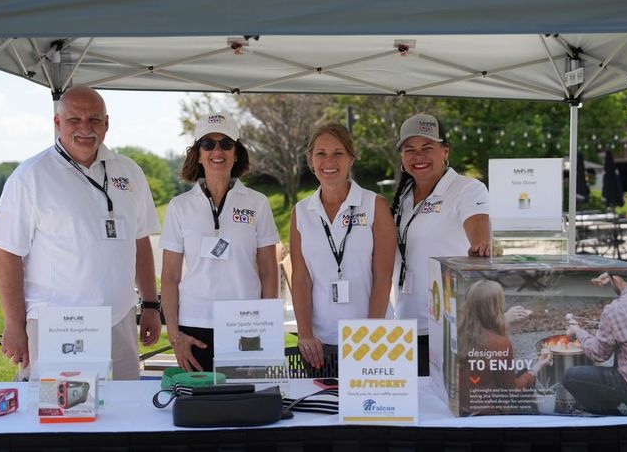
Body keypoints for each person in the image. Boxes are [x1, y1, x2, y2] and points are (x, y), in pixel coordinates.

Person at [0, 86, 161, 380]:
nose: (85, 128)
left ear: (106, 123)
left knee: (124, 411)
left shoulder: (129, 172)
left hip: (119, 318)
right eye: (74, 120)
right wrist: (15, 326)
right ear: (57, 123)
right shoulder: (31, 176)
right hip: (58, 323)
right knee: (60, 416)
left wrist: (151, 304)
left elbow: (140, 240)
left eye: (94, 120)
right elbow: (6, 252)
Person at [159, 112, 279, 372]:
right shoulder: (179, 207)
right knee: (200, 407)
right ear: (198, 154)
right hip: (194, 325)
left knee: (245, 406)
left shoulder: (257, 203)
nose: (217, 150)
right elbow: (169, 276)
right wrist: (174, 335)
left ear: (236, 153)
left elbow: (270, 271)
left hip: (245, 323)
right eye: (208, 144)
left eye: (226, 143)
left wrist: (267, 326)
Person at [390, 113, 494, 376]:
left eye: (428, 148)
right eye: (410, 149)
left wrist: (481, 245)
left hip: (449, 328)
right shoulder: (402, 196)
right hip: (404, 327)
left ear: (445, 151)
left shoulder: (468, 190)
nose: (418, 156)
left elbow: (479, 230)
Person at [290, 123, 396, 370]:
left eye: (338, 153)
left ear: (351, 158)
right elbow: (301, 278)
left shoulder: (374, 205)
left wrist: (371, 334)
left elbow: (383, 277)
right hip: (320, 343)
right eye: (321, 153)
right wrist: (305, 334)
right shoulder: (301, 211)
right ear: (310, 160)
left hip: (372, 339)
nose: (330, 161)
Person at [564, 271, 627, 417]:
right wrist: (610, 274)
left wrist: (577, 332)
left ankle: (613, 416)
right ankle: (614, 402)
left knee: (570, 376)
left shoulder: (615, 309)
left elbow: (599, 354)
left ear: (617, 279)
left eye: (612, 280)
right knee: (622, 344)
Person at [458, 280, 551, 415]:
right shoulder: (499, 343)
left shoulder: (460, 332)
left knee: (522, 371)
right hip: (486, 414)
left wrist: (504, 321)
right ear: (495, 307)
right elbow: (510, 392)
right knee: (533, 405)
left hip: (463, 408)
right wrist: (536, 369)